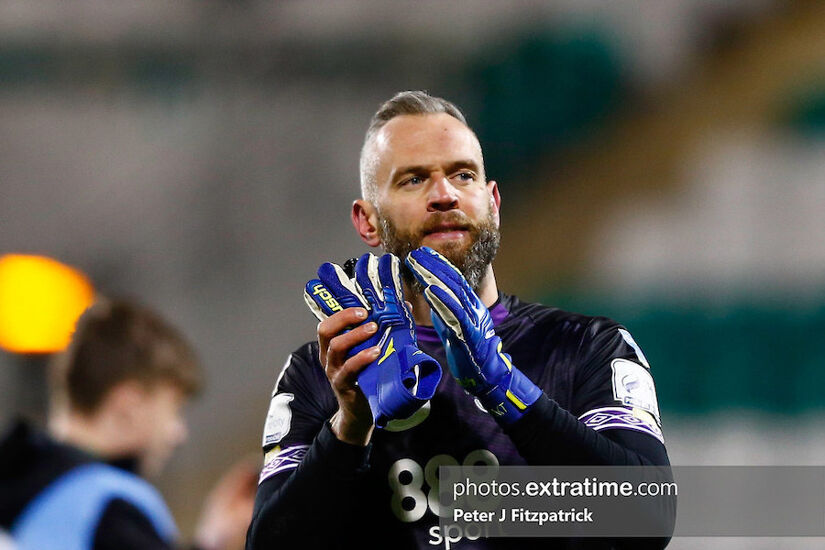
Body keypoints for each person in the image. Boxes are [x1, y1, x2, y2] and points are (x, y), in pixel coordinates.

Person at [247, 91, 673, 549]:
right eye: (413, 180)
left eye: (463, 175)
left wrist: (505, 387)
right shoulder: (326, 372)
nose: (445, 195)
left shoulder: (586, 346)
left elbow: (647, 521)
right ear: (367, 220)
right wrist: (351, 426)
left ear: (492, 201)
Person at [0, 298, 257, 550]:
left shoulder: (25, 492)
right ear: (129, 405)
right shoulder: (108, 508)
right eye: (174, 410)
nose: (179, 434)